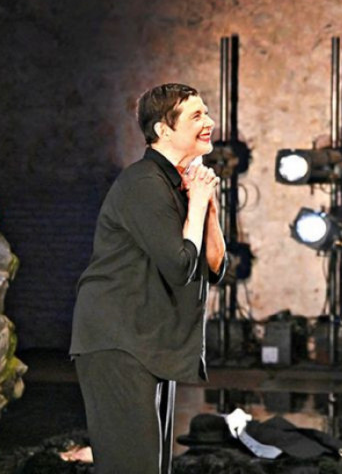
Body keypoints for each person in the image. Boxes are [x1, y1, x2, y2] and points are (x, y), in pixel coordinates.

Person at [70, 83, 228, 474]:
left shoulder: (179, 183)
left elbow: (214, 267)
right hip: (118, 342)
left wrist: (207, 208)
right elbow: (180, 265)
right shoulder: (143, 183)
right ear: (163, 130)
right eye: (196, 115)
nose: (209, 122)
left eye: (206, 113)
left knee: (153, 467)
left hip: (148, 342)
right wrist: (196, 204)